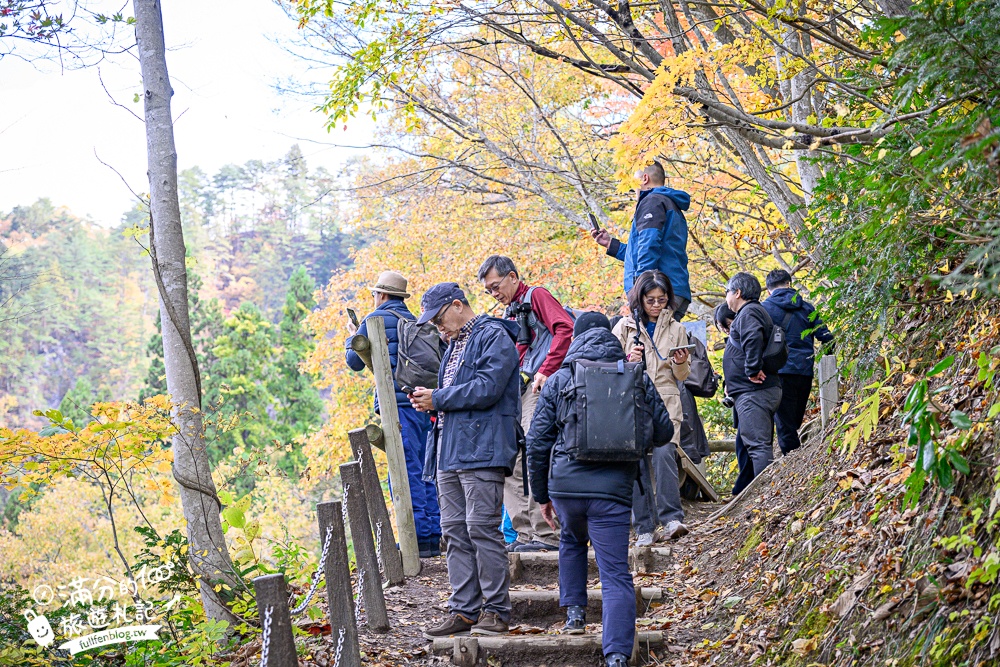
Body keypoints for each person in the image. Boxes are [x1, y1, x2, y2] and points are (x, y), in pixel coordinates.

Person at [526, 312, 675, 667]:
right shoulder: (634, 376)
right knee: (615, 572)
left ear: (575, 338)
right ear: (610, 337)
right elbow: (665, 431)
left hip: (567, 487)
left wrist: (542, 495)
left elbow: (536, 442)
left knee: (571, 541)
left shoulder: (559, 379)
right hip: (614, 490)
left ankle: (575, 615)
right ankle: (618, 655)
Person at [410, 283, 520, 639]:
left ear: (458, 305)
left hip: (483, 448)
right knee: (454, 531)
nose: (438, 326)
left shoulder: (494, 336)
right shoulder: (454, 344)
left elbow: (488, 388)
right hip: (449, 449)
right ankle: (464, 610)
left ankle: (496, 611)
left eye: (439, 317)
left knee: (481, 528)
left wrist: (438, 398)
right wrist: (430, 400)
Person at [478, 255, 574, 553]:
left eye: (496, 286)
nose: (494, 293)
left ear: (513, 277)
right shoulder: (509, 312)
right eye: (488, 290)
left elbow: (566, 328)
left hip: (538, 386)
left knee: (534, 450)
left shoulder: (537, 295)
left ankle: (547, 535)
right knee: (510, 457)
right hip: (516, 391)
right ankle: (524, 533)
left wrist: (547, 369)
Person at [345, 270, 441, 558]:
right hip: (425, 403)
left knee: (405, 468)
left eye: (375, 293)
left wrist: (352, 336)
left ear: (382, 294)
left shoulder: (373, 320)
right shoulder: (414, 321)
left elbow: (353, 362)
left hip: (397, 407)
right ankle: (433, 533)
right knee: (426, 467)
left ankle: (418, 537)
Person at [611, 270, 691, 545]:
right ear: (640, 299)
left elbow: (683, 376)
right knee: (636, 462)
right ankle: (644, 527)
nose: (656, 305)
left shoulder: (677, 328)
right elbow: (608, 365)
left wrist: (680, 361)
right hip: (632, 402)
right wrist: (627, 360)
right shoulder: (624, 327)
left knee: (665, 453)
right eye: (650, 300)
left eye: (662, 299)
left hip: (666, 401)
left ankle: (672, 519)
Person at [591, 161, 692, 319]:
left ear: (645, 178)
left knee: (650, 336)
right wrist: (611, 244)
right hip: (674, 289)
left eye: (634, 183)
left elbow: (648, 247)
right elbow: (647, 251)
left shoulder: (652, 202)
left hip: (658, 294)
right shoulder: (670, 205)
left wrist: (642, 290)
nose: (634, 189)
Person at [761, 269, 835, 455]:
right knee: (793, 421)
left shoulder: (762, 310)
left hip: (778, 373)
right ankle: (795, 458)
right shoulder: (807, 308)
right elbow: (827, 338)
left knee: (785, 424)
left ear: (768, 290)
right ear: (789, 284)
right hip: (804, 370)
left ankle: (792, 461)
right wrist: (825, 360)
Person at [723, 273, 782, 496]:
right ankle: (765, 496)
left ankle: (765, 498)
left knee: (758, 446)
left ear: (737, 293)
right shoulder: (752, 312)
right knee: (757, 445)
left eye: (727, 292)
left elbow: (752, 337)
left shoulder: (749, 312)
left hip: (754, 392)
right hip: (754, 392)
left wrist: (752, 369)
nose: (726, 297)